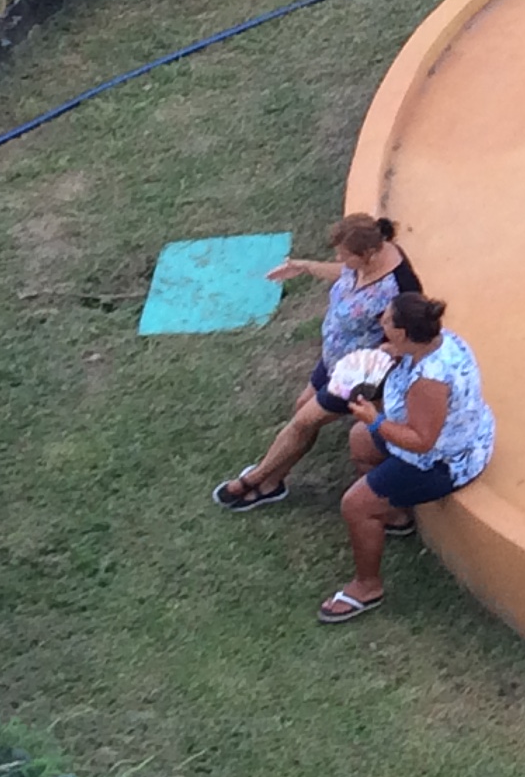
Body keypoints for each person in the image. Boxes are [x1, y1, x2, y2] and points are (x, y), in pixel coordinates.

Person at [212, 213, 418, 511]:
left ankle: (254, 480)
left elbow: (407, 339)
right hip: (333, 358)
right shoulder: (366, 261)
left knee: (303, 421)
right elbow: (346, 274)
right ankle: (273, 483)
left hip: (357, 374)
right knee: (302, 408)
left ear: (369, 254)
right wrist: (305, 266)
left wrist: (383, 353)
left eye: (345, 255)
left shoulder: (399, 288)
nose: (339, 259)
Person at [321, 294, 495, 623]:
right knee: (360, 440)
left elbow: (421, 441)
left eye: (387, 320)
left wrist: (374, 420)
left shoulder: (429, 381)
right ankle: (395, 516)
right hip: (438, 440)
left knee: (354, 505)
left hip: (442, 462)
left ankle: (366, 587)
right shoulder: (438, 342)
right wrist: (397, 354)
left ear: (402, 332)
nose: (381, 322)